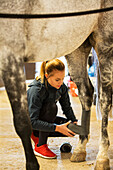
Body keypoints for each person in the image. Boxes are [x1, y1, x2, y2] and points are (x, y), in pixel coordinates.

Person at [27, 59, 78, 159]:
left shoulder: (61, 87)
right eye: (57, 79)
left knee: (69, 127)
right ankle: (40, 146)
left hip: (42, 118)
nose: (60, 82)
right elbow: (32, 121)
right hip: (30, 124)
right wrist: (57, 128)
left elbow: (67, 107)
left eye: (63, 78)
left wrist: (73, 121)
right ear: (47, 76)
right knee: (51, 107)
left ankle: (39, 136)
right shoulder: (36, 90)